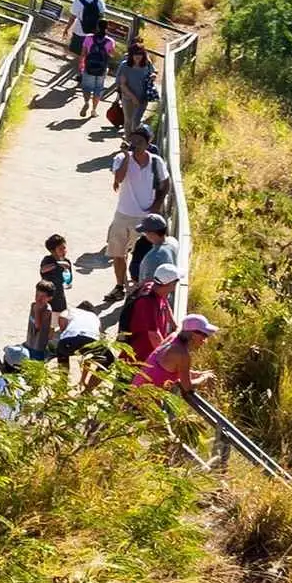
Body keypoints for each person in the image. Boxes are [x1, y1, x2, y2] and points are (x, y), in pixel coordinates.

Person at [105, 127, 170, 293]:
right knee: (118, 253)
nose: (135, 145)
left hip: (146, 218)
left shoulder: (156, 162)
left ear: (148, 143)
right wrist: (127, 157)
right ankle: (120, 286)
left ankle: (139, 287)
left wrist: (156, 205)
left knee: (142, 256)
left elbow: (165, 184)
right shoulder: (121, 158)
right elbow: (118, 179)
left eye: (140, 141)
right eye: (133, 140)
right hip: (123, 214)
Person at [134, 313, 218, 394]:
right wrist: (204, 378)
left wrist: (198, 374)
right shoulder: (182, 354)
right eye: (204, 335)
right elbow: (187, 387)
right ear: (192, 334)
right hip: (142, 401)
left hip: (134, 392)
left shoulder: (173, 337)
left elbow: (173, 369)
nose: (205, 340)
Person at [118, 263, 176, 364]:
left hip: (149, 352)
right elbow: (154, 335)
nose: (176, 285)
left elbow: (165, 303)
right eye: (175, 282)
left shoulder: (154, 287)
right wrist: (167, 357)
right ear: (169, 284)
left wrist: (174, 324)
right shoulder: (147, 302)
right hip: (140, 355)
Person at [115, 37, 159, 141]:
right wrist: (133, 97)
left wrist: (153, 76)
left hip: (143, 97)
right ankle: (128, 141)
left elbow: (153, 72)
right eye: (135, 54)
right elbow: (122, 84)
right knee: (128, 120)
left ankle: (134, 142)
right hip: (128, 98)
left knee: (136, 121)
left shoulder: (146, 64)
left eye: (140, 54)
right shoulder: (125, 66)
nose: (137, 57)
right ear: (131, 55)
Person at [76, 26, 116, 120]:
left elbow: (83, 53)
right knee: (98, 89)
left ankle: (86, 102)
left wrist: (81, 64)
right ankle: (94, 110)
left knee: (86, 87)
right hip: (102, 69)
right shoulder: (110, 41)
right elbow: (112, 54)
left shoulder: (89, 37)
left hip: (89, 67)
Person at [26, 280, 66, 359]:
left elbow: (38, 326)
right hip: (30, 340)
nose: (38, 299)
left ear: (49, 298)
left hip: (38, 345)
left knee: (35, 362)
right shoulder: (33, 305)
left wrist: (37, 311)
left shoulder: (47, 310)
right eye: (37, 295)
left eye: (42, 297)